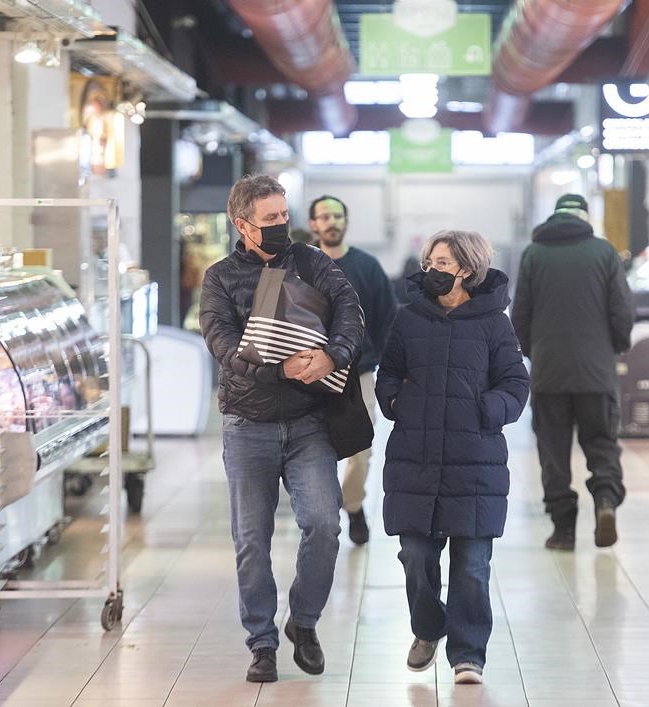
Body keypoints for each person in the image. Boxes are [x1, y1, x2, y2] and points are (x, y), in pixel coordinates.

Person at [199, 175, 364, 683]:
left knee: (325, 525)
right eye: (270, 219)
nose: (281, 225)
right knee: (252, 539)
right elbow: (221, 343)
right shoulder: (220, 278)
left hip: (309, 422)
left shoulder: (313, 263)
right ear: (242, 224)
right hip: (247, 424)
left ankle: (304, 621)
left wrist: (333, 354)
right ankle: (262, 643)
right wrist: (277, 370)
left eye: (284, 215)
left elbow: (351, 312)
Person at [375, 230, 530, 685]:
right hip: (416, 460)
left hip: (475, 460)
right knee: (415, 557)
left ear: (466, 268)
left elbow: (515, 384)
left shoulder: (494, 323)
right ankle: (427, 627)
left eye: (442, 263)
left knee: (473, 567)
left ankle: (468, 655)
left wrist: (485, 411)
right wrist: (397, 402)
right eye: (429, 263)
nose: (432, 271)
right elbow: (389, 374)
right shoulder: (409, 319)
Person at [511, 194, 634, 551]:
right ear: (584, 216)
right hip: (597, 372)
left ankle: (563, 529)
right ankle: (606, 500)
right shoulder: (604, 252)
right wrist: (614, 348)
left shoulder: (534, 254)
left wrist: (535, 354)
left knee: (553, 452)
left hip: (549, 373)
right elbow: (622, 311)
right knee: (602, 443)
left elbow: (520, 315)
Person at [308, 195, 397, 545]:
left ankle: (354, 505)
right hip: (309, 377)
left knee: (360, 451)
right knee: (313, 450)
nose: (331, 222)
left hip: (358, 376)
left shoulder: (367, 266)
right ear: (313, 224)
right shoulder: (301, 266)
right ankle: (321, 513)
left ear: (346, 221)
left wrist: (386, 365)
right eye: (324, 216)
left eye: (337, 215)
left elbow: (387, 320)